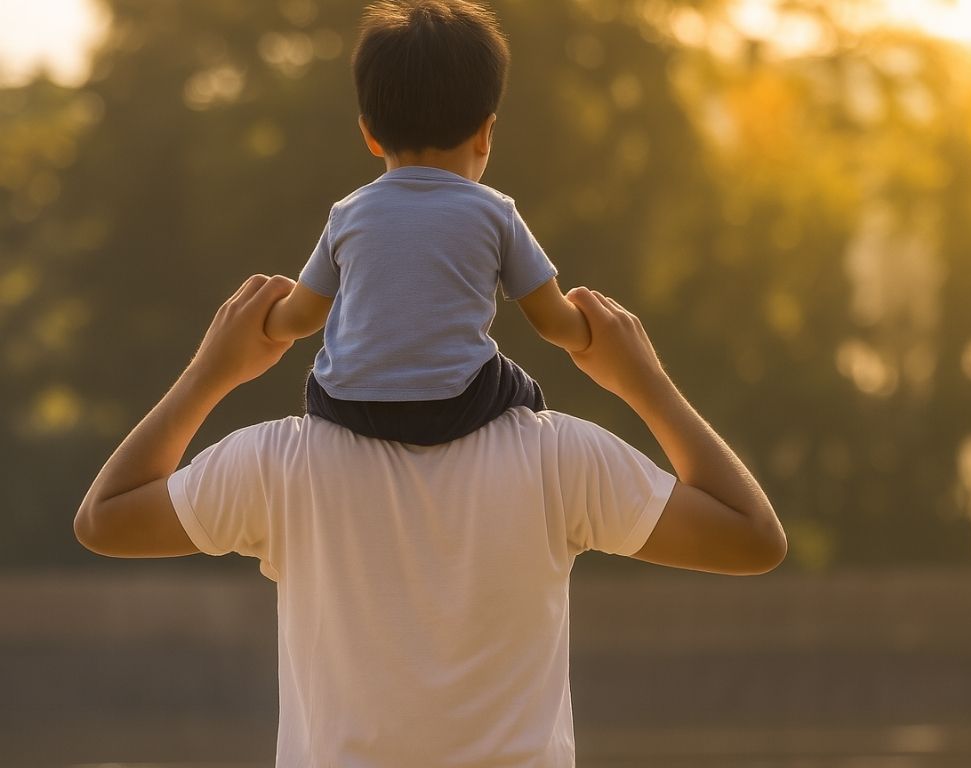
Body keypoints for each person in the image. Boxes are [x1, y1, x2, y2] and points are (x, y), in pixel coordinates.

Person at [74, 274, 786, 767]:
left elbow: (106, 518)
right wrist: (642, 381)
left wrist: (212, 372)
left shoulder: (281, 462)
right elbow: (752, 537)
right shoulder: (558, 456)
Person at [263, 0, 590, 446]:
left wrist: (265, 319)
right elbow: (554, 324)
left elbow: (299, 319)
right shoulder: (496, 211)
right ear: (486, 132)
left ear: (370, 134)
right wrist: (593, 326)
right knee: (524, 389)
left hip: (346, 405)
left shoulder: (347, 213)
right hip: (455, 405)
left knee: (325, 368)